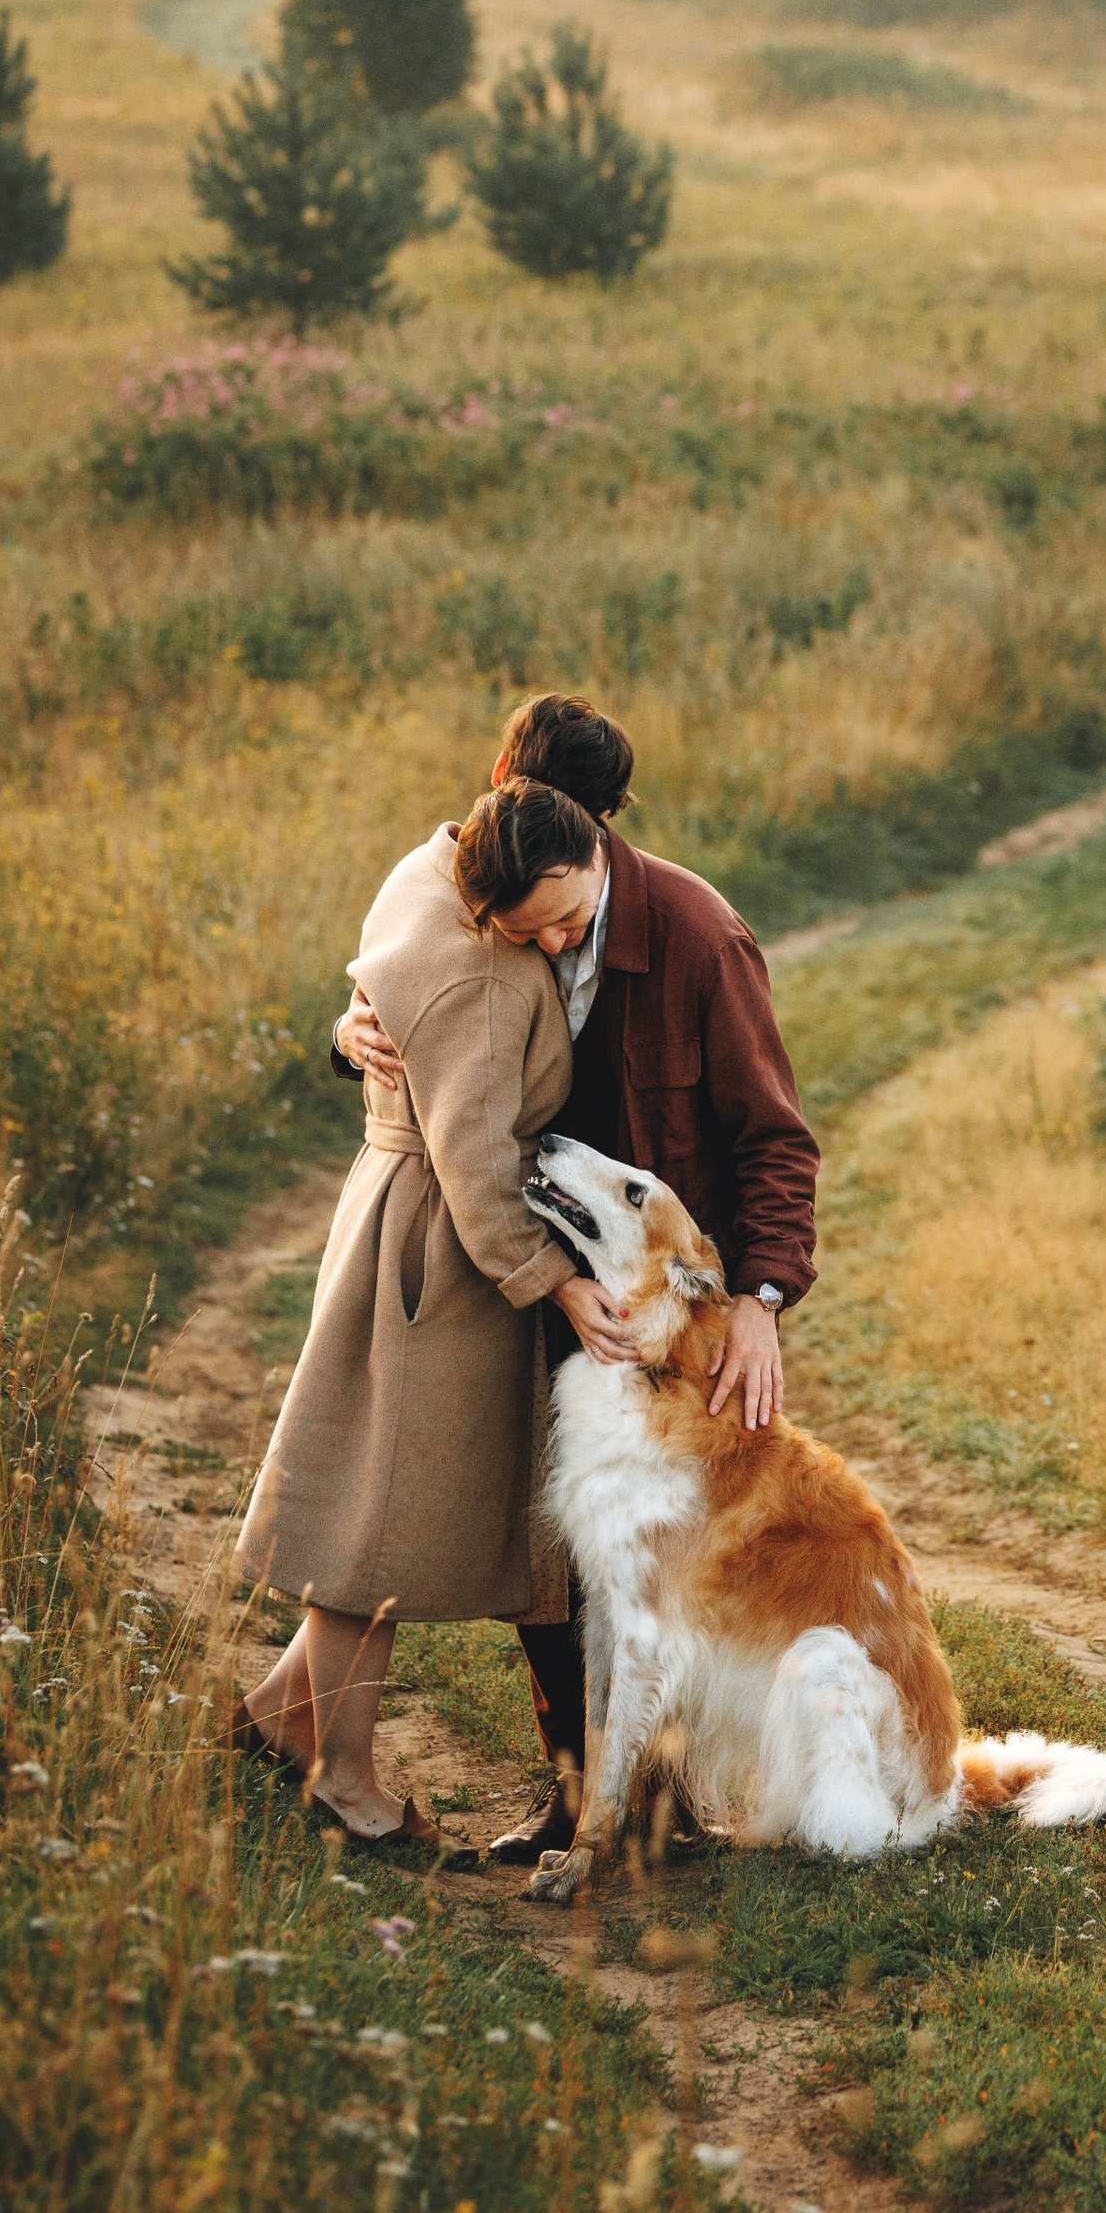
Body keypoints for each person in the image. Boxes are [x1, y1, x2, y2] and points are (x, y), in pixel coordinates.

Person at [339, 691, 819, 1864]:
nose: (546, 941)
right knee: (549, 1558)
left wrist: (757, 1305)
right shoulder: (491, 896)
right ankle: (577, 1795)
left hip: (662, 1311)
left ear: (596, 832)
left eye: (564, 921)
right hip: (536, 1276)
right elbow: (428, 1018)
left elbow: (775, 1140)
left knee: (671, 1552)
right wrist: (346, 1028)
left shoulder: (700, 939)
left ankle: (664, 1807)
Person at [234, 778, 635, 1842]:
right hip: (438, 1260)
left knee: (377, 1503)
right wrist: (558, 1280)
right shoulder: (489, 985)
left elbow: (385, 989)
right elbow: (478, 1172)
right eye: (539, 923)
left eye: (572, 912)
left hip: (386, 1211)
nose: (560, 940)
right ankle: (345, 1780)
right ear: (490, 902)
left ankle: (285, 1712)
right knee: (377, 1529)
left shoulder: (425, 867)